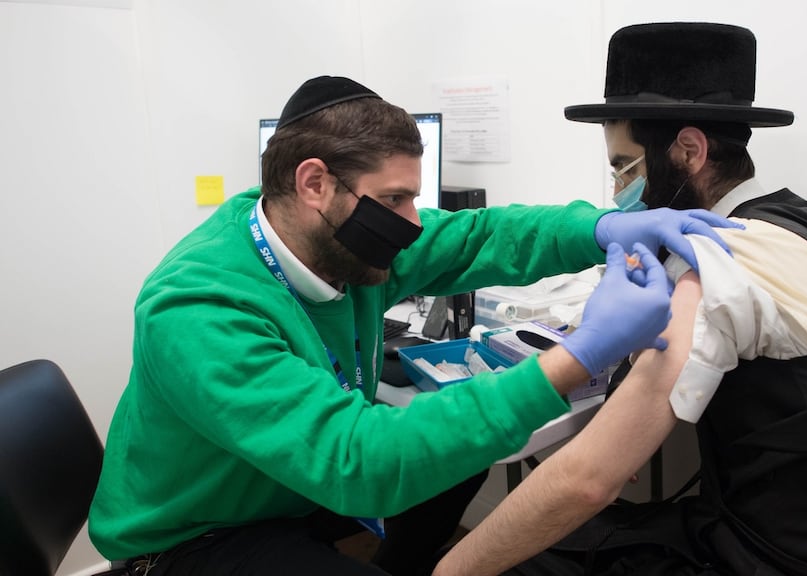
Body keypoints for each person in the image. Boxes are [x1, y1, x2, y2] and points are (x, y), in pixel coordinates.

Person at [86, 75, 741, 576]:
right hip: (193, 537)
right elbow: (357, 461)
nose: (413, 221)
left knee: (458, 452)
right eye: (396, 199)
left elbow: (481, 236)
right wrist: (578, 355)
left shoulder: (345, 241)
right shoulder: (200, 306)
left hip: (286, 488)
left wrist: (599, 227)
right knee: (418, 447)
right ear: (314, 182)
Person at [432, 22, 807, 576]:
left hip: (788, 551)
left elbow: (588, 479)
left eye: (621, 167)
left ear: (689, 151)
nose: (616, 192)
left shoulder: (718, 263)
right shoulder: (803, 220)